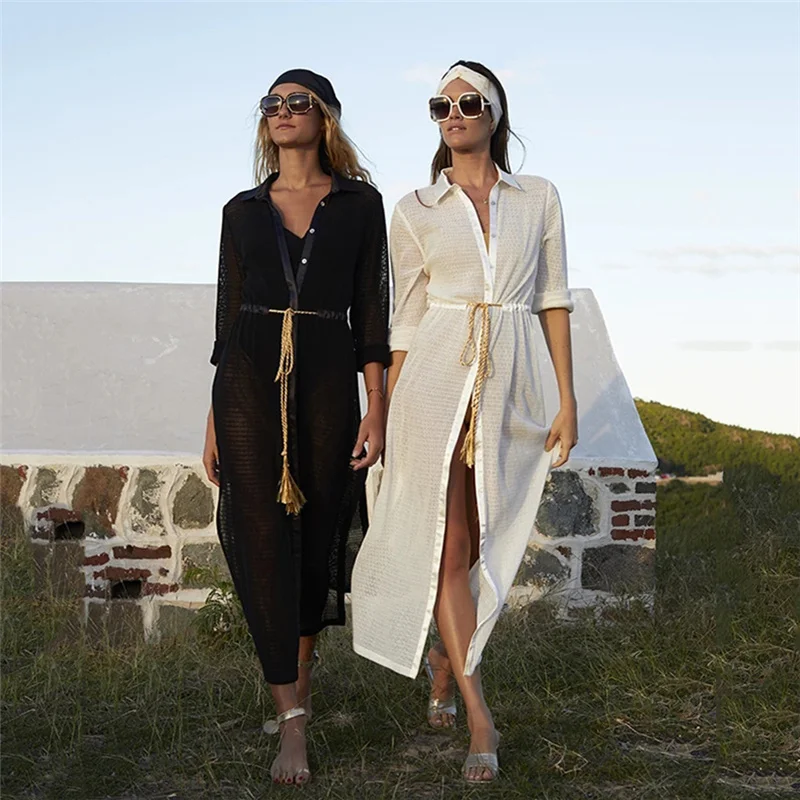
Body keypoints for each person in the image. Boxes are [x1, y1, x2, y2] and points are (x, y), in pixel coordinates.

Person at [351, 60, 578, 784]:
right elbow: (405, 320)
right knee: (449, 550)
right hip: (433, 387)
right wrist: (382, 409)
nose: (453, 113)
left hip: (511, 385)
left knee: (485, 539)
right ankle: (481, 714)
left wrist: (567, 399)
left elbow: (553, 299)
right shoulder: (415, 208)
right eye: (441, 105)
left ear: (495, 114)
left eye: (469, 102)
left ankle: (444, 664)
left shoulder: (539, 197)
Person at [202, 68, 390, 786]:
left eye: (297, 102)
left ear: (325, 117)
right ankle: (291, 719)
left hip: (327, 379)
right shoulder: (241, 211)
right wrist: (214, 418)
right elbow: (227, 321)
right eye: (272, 104)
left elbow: (372, 315)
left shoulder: (360, 205)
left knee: (315, 537)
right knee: (257, 537)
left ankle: (299, 693)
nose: (282, 112)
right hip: (247, 383)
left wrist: (377, 405)